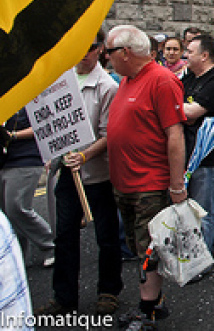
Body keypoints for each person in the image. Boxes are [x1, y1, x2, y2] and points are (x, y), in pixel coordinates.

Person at [36, 30, 123, 317]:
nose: (82, 53)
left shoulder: (107, 86)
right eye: (77, 47)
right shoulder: (61, 82)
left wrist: (84, 155)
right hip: (67, 176)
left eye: (89, 47)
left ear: (100, 50)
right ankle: (64, 297)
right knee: (64, 237)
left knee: (106, 237)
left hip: (98, 176)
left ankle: (109, 291)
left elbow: (108, 134)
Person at [105, 25, 187, 329]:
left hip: (148, 183)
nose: (106, 56)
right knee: (138, 246)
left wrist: (176, 185)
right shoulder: (128, 79)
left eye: (110, 51)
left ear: (126, 52)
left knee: (148, 250)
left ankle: (147, 308)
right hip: (125, 182)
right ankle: (154, 301)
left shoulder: (161, 80)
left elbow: (175, 134)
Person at [182, 35, 214, 256]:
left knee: (204, 208)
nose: (185, 55)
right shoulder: (188, 79)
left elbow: (192, 113)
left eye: (190, 52)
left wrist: (177, 108)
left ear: (204, 56)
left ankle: (201, 258)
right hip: (189, 151)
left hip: (207, 154)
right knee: (201, 203)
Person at [0, 108, 54, 267]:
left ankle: (50, 243)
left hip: (26, 158)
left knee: (16, 207)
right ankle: (18, 256)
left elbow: (43, 126)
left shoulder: (29, 99)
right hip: (4, 161)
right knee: (7, 215)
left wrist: (13, 135)